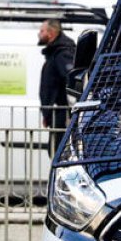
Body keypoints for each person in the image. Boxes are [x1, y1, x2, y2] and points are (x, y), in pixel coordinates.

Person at [38, 19, 75, 157]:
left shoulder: (62, 53)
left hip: (62, 115)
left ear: (51, 33)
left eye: (42, 31)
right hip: (57, 113)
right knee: (55, 151)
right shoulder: (56, 52)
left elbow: (71, 79)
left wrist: (66, 111)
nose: (39, 34)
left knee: (58, 153)